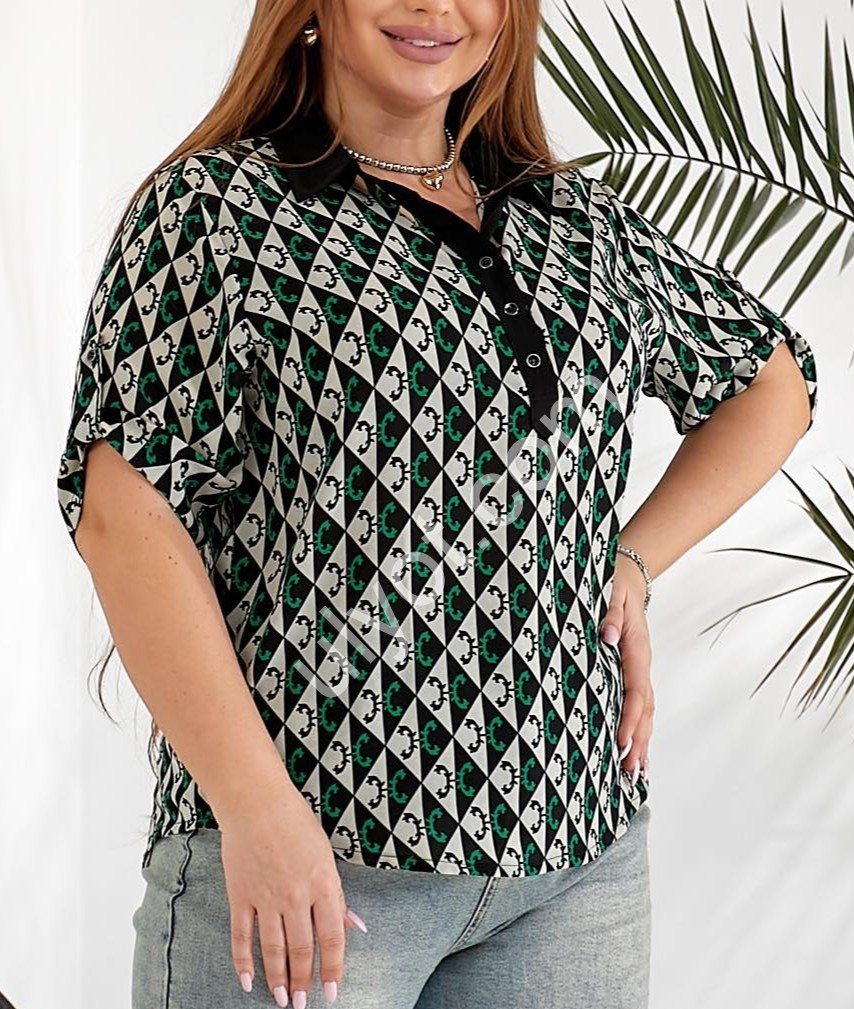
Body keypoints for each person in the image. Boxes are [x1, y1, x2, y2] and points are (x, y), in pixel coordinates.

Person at [55, 1, 818, 1007]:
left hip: (573, 858)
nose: (433, 6)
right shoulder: (217, 211)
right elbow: (123, 515)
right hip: (313, 861)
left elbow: (771, 381)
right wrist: (254, 808)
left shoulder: (577, 222)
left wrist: (630, 562)